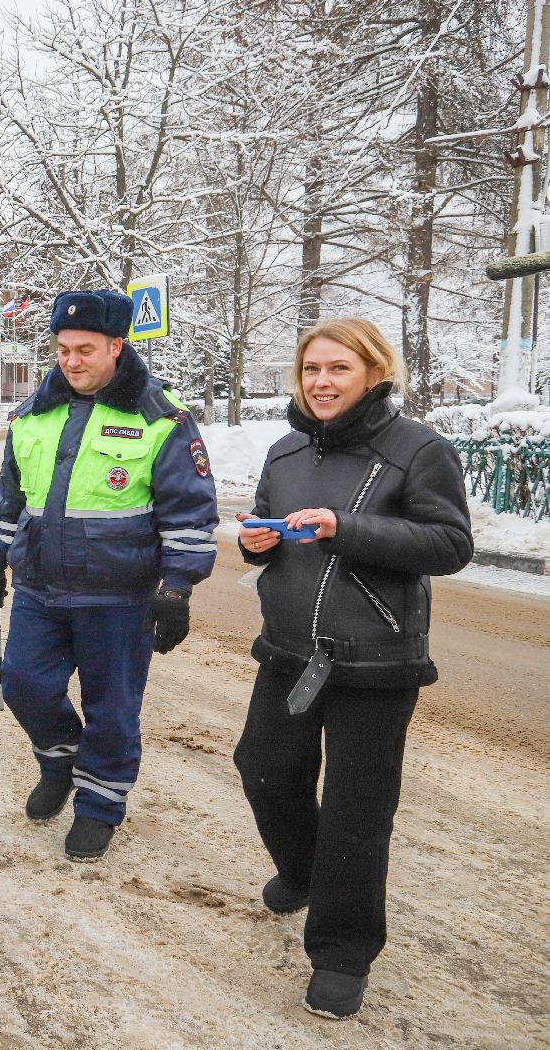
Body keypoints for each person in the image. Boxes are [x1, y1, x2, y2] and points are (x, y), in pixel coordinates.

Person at [233, 317, 471, 1020]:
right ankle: (304, 873)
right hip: (289, 653)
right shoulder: (283, 452)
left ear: (373, 371)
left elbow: (450, 543)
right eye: (311, 370)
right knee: (264, 769)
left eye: (338, 369)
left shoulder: (418, 449)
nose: (322, 383)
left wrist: (348, 526)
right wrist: (257, 543)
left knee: (355, 815)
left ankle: (341, 951)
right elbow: (276, 537)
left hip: (376, 662)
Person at [0, 289, 219, 862]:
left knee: (112, 708)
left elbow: (190, 510)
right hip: (41, 587)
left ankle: (100, 804)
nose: (72, 361)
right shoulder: (34, 414)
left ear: (117, 346)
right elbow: (11, 495)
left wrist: (177, 588)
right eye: (63, 349)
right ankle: (60, 760)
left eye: (85, 349)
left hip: (120, 598)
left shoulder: (161, 418)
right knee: (24, 686)